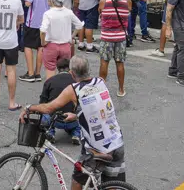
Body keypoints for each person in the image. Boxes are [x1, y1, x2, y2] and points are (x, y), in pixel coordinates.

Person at [22, 55, 126, 190]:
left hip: (97, 147)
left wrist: (28, 107)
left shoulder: (74, 89)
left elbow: (49, 108)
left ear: (71, 73)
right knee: (112, 185)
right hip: (117, 142)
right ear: (89, 69)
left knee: (78, 181)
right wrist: (77, 116)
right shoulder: (100, 81)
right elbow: (98, 109)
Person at [21, 0, 55, 82]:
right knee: (41, 46)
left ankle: (30, 73)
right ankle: (37, 72)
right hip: (45, 20)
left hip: (32, 20)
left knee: (28, 45)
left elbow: (28, 2)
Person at [98, 0, 131, 96]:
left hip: (106, 36)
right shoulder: (128, 2)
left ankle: (101, 90)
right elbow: (128, 13)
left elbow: (100, 14)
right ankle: (121, 89)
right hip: (120, 37)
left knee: (104, 62)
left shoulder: (103, 1)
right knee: (120, 63)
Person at [39, 0, 83, 80]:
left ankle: (51, 92)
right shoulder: (68, 12)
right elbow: (79, 25)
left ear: (52, 0)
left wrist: (43, 42)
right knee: (65, 73)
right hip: (65, 46)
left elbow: (43, 30)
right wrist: (71, 37)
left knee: (50, 72)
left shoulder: (48, 14)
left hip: (51, 45)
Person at [38, 57, 82, 145]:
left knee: (44, 109)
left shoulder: (49, 81)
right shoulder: (77, 82)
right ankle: (76, 133)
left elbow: (42, 102)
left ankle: (50, 132)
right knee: (82, 109)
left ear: (57, 68)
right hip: (72, 119)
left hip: (55, 120)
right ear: (70, 68)